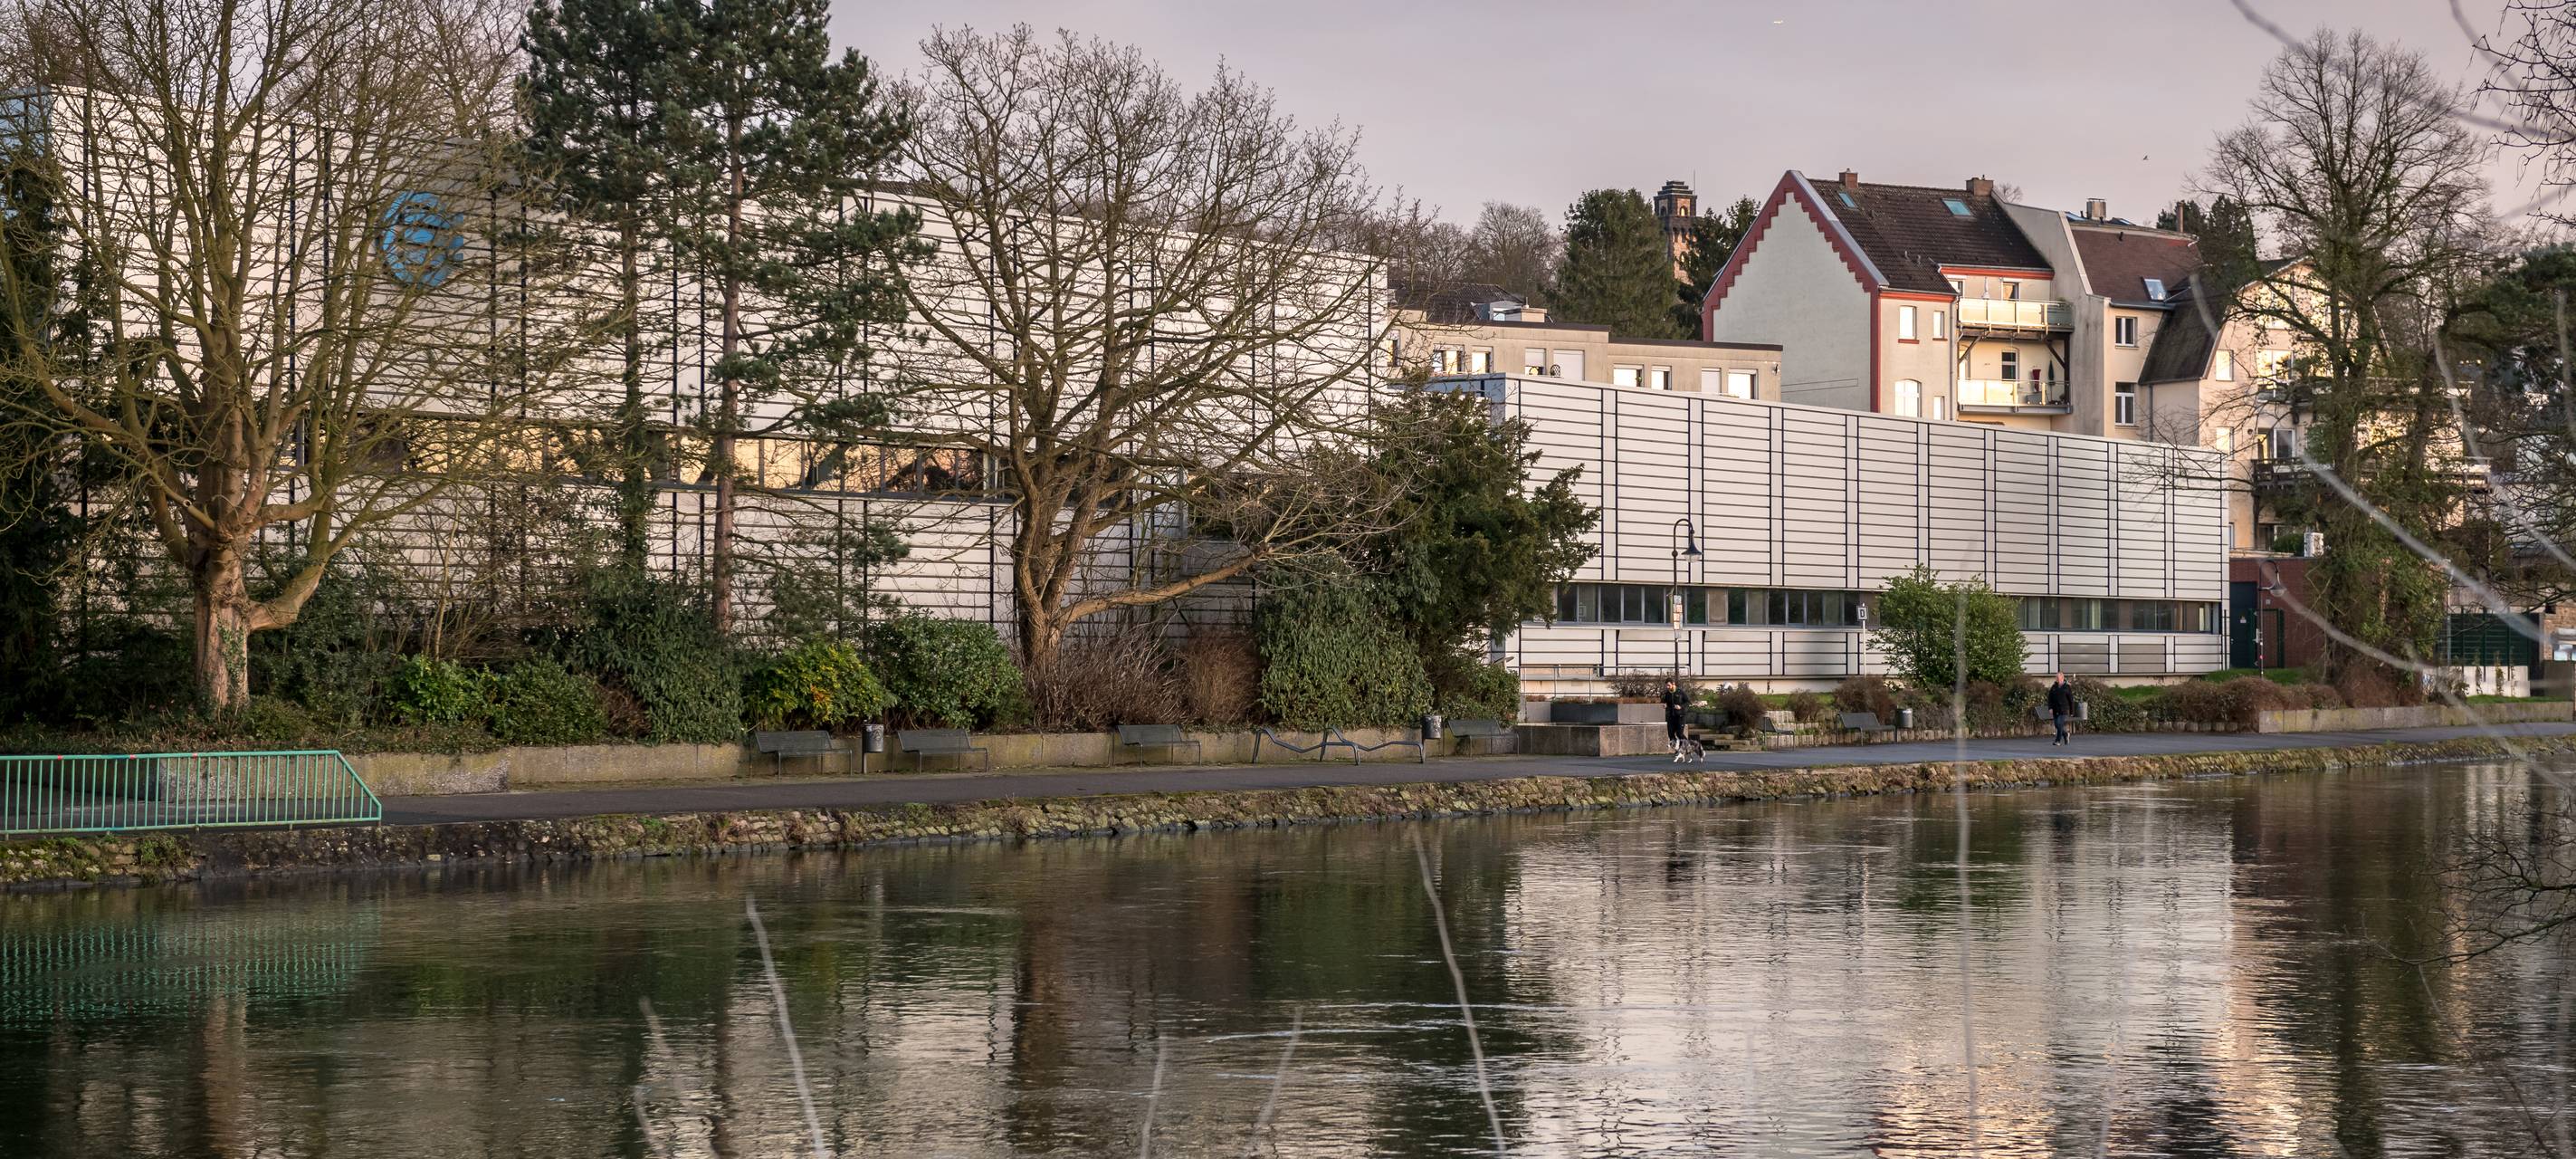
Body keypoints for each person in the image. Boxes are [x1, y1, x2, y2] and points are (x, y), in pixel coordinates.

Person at [2046, 672, 2076, 746]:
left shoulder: (2067, 687)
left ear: (2062, 678)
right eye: (2056, 678)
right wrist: (2050, 708)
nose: (2057, 679)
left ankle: (2058, 741)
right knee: (2057, 725)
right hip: (2055, 709)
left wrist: (2072, 712)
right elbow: (2050, 699)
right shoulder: (2054, 687)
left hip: (2063, 710)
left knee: (2060, 724)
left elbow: (2071, 700)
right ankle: (2065, 734)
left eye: (2058, 678)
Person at [1661, 680, 1689, 752]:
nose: (1667, 687)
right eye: (1666, 685)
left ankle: (1687, 746)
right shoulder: (1668, 693)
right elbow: (1666, 702)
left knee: (1679, 734)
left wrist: (1681, 707)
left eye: (1668, 685)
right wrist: (1665, 705)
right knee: (1671, 734)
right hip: (1671, 716)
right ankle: (1678, 748)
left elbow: (1687, 702)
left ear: (1673, 684)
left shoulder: (1680, 692)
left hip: (1680, 716)